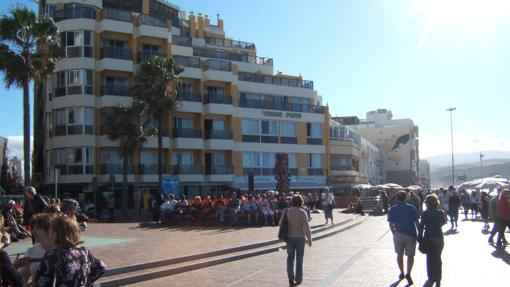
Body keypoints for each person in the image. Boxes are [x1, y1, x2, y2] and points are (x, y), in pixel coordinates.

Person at [34, 216, 107, 286]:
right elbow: (102, 267)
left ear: (55, 233)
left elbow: (43, 282)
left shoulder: (53, 254)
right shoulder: (84, 252)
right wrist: (87, 281)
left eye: (50, 231)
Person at [387, 191, 420, 285]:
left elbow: (390, 224)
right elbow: (417, 222)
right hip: (411, 234)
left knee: (399, 255)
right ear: (406, 198)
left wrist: (394, 233)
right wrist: (419, 234)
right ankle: (408, 273)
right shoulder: (411, 208)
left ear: (397, 198)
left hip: (398, 234)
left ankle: (402, 272)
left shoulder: (392, 209)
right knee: (410, 256)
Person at [280, 195, 312, 286]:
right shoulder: (302, 212)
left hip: (289, 238)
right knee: (299, 259)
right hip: (300, 238)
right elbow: (306, 228)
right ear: (301, 202)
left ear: (292, 202)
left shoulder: (286, 211)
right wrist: (309, 239)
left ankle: (290, 277)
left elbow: (280, 223)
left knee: (290, 258)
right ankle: (298, 279)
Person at [419, 194, 446, 287]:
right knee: (438, 258)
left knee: (430, 258)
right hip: (438, 236)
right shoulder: (440, 213)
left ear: (426, 203)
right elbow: (443, 223)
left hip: (428, 237)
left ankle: (431, 277)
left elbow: (421, 226)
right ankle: (438, 278)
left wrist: (419, 238)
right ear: (436, 202)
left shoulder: (424, 213)